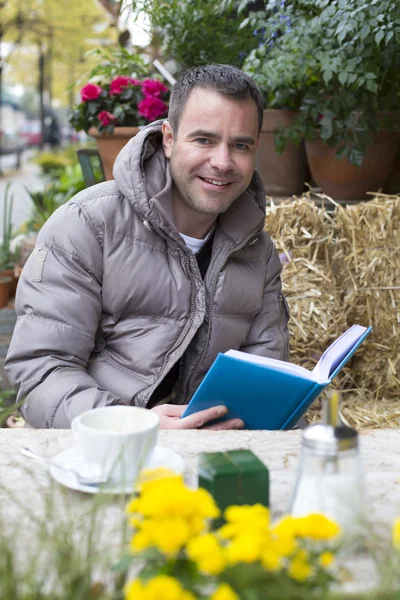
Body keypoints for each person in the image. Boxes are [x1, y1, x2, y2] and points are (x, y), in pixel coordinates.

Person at [5, 64, 290, 429]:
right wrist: (137, 427)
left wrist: (236, 424)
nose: (222, 162)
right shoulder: (88, 226)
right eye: (203, 140)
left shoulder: (258, 252)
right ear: (168, 139)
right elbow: (40, 372)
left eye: (240, 145)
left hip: (208, 453)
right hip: (99, 450)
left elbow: (264, 372)